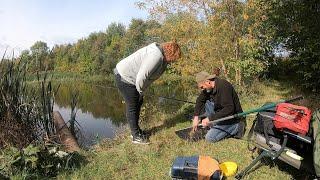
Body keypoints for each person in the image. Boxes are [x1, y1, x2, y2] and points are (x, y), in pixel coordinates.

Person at [114, 41, 181, 144]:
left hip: (129, 78)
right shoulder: (156, 56)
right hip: (125, 77)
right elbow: (141, 78)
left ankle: (136, 132)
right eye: (174, 58)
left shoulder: (160, 55)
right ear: (171, 53)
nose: (173, 61)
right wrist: (140, 92)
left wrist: (140, 93)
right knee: (132, 106)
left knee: (137, 103)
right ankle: (136, 137)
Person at [192, 71, 246, 143]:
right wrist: (196, 117)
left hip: (232, 119)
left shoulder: (223, 86)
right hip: (221, 115)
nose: (202, 89)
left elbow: (229, 109)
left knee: (209, 138)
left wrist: (210, 118)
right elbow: (200, 100)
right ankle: (214, 125)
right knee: (206, 101)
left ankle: (236, 128)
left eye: (202, 87)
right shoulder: (209, 88)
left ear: (208, 82)